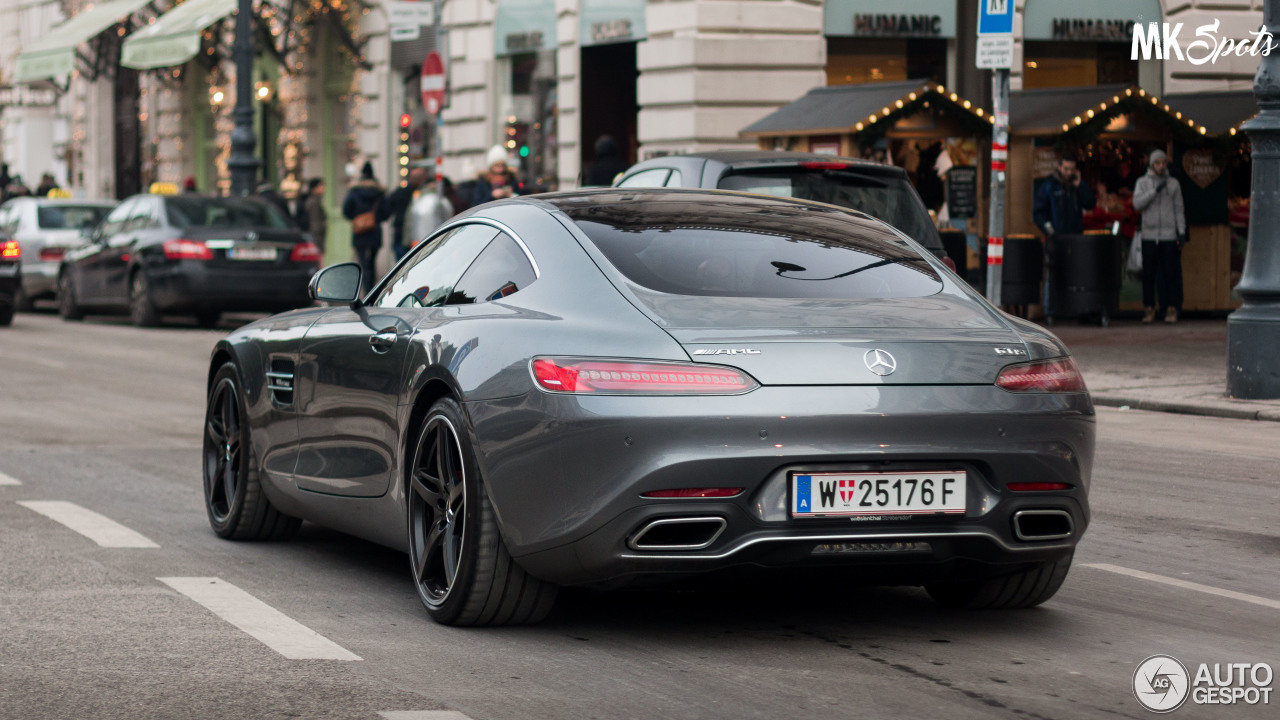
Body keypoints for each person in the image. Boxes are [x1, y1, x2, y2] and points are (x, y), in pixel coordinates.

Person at [1033, 155, 1096, 317]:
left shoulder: (1076, 186)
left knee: (1077, 272)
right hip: (1056, 238)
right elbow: (1038, 212)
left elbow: (1090, 203)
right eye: (1066, 169)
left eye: (1072, 169)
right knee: (1054, 274)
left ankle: (1077, 310)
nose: (1069, 172)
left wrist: (1080, 185)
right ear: (1059, 167)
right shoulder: (1049, 186)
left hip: (1076, 239)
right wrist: (1048, 227)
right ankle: (1051, 311)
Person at [1133, 149, 1187, 324]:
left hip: (1169, 235)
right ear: (1151, 165)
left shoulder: (1174, 184)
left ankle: (1171, 308)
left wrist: (1182, 231)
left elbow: (1179, 209)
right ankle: (1149, 308)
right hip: (1149, 235)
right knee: (1148, 275)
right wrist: (1155, 190)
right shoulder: (1142, 182)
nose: (1161, 166)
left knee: (1170, 274)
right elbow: (1137, 204)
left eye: (1164, 163)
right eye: (1157, 163)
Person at [342, 162, 388, 293]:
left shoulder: (354, 191)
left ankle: (365, 290)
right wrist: (375, 219)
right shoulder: (379, 192)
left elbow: (346, 211)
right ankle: (372, 289)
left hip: (359, 232)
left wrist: (357, 218)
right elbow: (386, 212)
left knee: (362, 262)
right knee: (372, 262)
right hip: (374, 231)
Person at [385, 166, 429, 260]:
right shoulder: (426, 194)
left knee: (401, 263)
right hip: (419, 234)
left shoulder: (400, 192)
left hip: (401, 233)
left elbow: (386, 209)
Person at [303, 178, 327, 255]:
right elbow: (315, 221)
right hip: (316, 235)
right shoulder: (313, 202)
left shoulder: (315, 200)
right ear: (314, 188)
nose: (323, 188)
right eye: (320, 186)